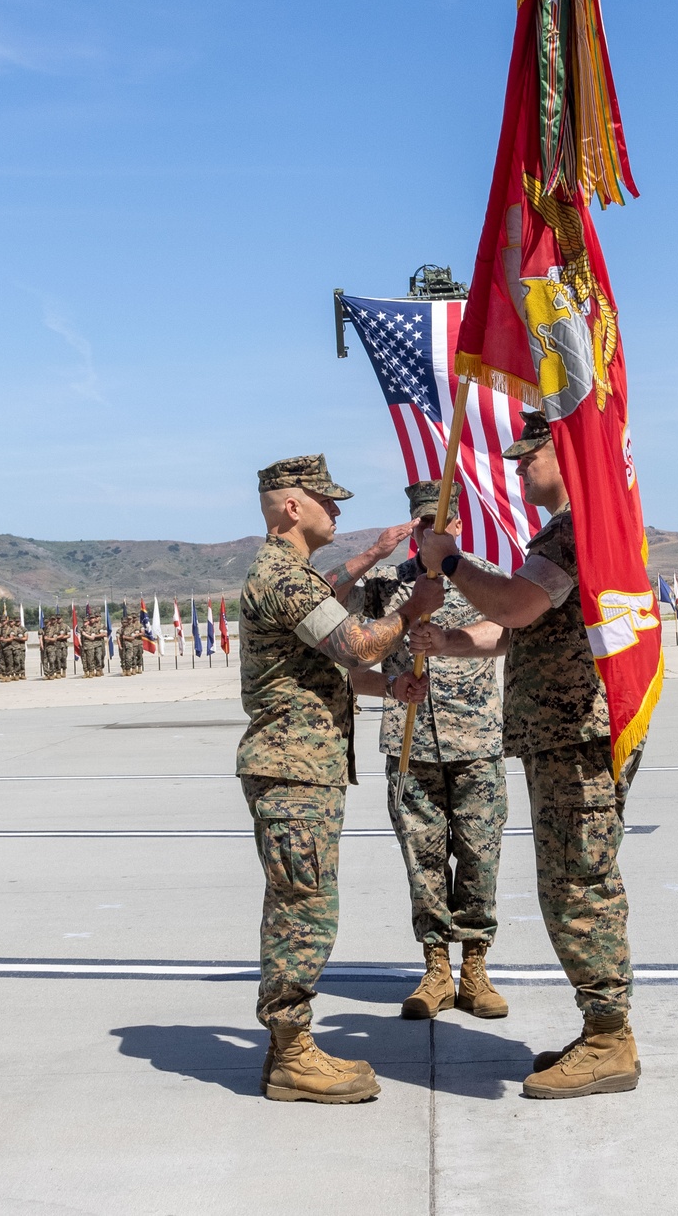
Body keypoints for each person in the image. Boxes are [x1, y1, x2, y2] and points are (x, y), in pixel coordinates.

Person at [410, 410, 644, 1100]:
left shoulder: (576, 529)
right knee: (571, 880)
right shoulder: (573, 530)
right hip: (563, 735)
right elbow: (521, 625)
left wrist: (449, 561)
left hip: (576, 735)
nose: (517, 468)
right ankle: (602, 1028)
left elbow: (515, 605)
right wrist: (452, 643)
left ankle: (609, 1038)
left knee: (579, 884)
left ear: (563, 453)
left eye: (528, 455)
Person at [237, 453, 442, 1105]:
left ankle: (289, 1049)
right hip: (291, 768)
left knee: (305, 903)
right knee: (305, 910)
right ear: (293, 507)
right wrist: (412, 613)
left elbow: (335, 670)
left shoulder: (293, 575)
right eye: (329, 500)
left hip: (304, 766)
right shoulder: (283, 576)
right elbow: (355, 643)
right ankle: (292, 1055)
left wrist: (389, 686)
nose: (339, 510)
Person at [345, 479, 508, 1022]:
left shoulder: (481, 578)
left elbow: (506, 630)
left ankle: (476, 968)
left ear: (457, 524)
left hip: (476, 740)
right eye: (420, 525)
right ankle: (436, 968)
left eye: (439, 522)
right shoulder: (389, 585)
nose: (430, 532)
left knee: (480, 857)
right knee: (424, 860)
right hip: (410, 743)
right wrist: (372, 555)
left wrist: (449, 640)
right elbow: (337, 633)